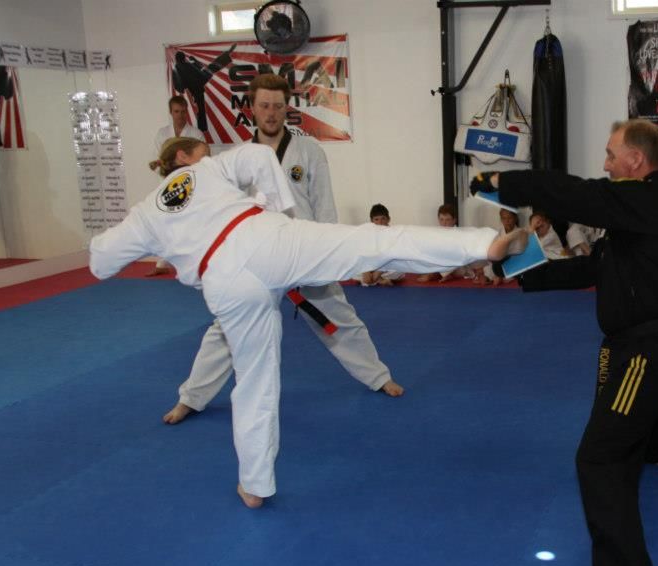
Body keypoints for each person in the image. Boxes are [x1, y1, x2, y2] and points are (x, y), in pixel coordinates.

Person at [90, 138, 518, 509]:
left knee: (255, 380)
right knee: (371, 243)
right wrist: (282, 210)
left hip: (223, 279)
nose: (210, 152)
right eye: (202, 149)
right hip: (266, 239)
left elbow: (101, 262)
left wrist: (134, 235)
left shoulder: (146, 212)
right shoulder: (208, 168)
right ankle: (483, 243)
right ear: (185, 156)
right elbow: (258, 155)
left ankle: (254, 486)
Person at [471, 118, 658, 566]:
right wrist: (511, 268)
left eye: (610, 153)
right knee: (628, 400)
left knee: (599, 458)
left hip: (652, 349)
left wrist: (503, 183)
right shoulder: (636, 215)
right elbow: (590, 268)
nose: (604, 162)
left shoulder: (645, 201)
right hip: (648, 340)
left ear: (636, 162)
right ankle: (657, 450)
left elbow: (571, 193)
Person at [163, 73, 405, 429]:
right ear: (252, 108)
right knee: (226, 329)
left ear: (286, 108)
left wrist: (332, 254)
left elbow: (324, 205)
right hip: (257, 257)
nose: (271, 113)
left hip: (304, 250)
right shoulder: (238, 158)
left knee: (340, 318)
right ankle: (191, 398)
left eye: (277, 106)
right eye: (264, 105)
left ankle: (378, 376)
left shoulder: (309, 151)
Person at [148, 96, 204, 276]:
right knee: (166, 223)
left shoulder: (196, 135)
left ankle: (195, 263)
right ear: (170, 113)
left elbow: (200, 161)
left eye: (183, 111)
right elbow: (160, 159)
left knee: (191, 224)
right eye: (176, 112)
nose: (180, 115)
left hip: (189, 184)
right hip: (167, 185)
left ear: (188, 111)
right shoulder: (162, 134)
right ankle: (162, 262)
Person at [416, 204, 475, 282]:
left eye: (447, 219)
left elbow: (459, 257)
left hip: (459, 267)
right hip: (443, 265)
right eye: (441, 219)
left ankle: (433, 275)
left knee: (450, 257)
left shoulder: (460, 234)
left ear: (454, 220)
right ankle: (436, 274)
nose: (444, 223)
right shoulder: (437, 234)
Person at [361, 203, 405, 286]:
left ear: (388, 219)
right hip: (372, 267)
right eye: (376, 219)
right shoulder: (367, 234)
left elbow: (395, 255)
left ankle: (374, 280)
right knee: (353, 271)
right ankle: (379, 280)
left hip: (388, 268)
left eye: (383, 219)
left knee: (399, 269)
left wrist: (378, 272)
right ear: (371, 221)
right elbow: (364, 255)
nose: (380, 222)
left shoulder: (394, 234)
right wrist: (365, 271)